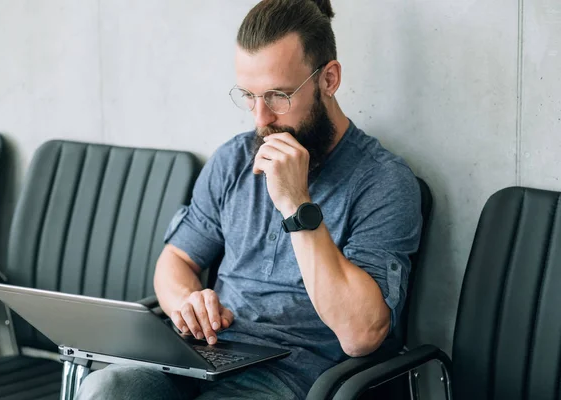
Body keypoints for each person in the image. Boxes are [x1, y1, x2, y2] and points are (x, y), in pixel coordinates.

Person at [76, 0, 422, 398]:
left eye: (277, 96)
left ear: (328, 79)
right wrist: (187, 304)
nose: (260, 119)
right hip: (205, 357)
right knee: (108, 387)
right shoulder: (234, 159)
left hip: (293, 376)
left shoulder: (382, 181)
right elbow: (176, 260)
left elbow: (362, 335)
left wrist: (296, 204)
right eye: (249, 95)